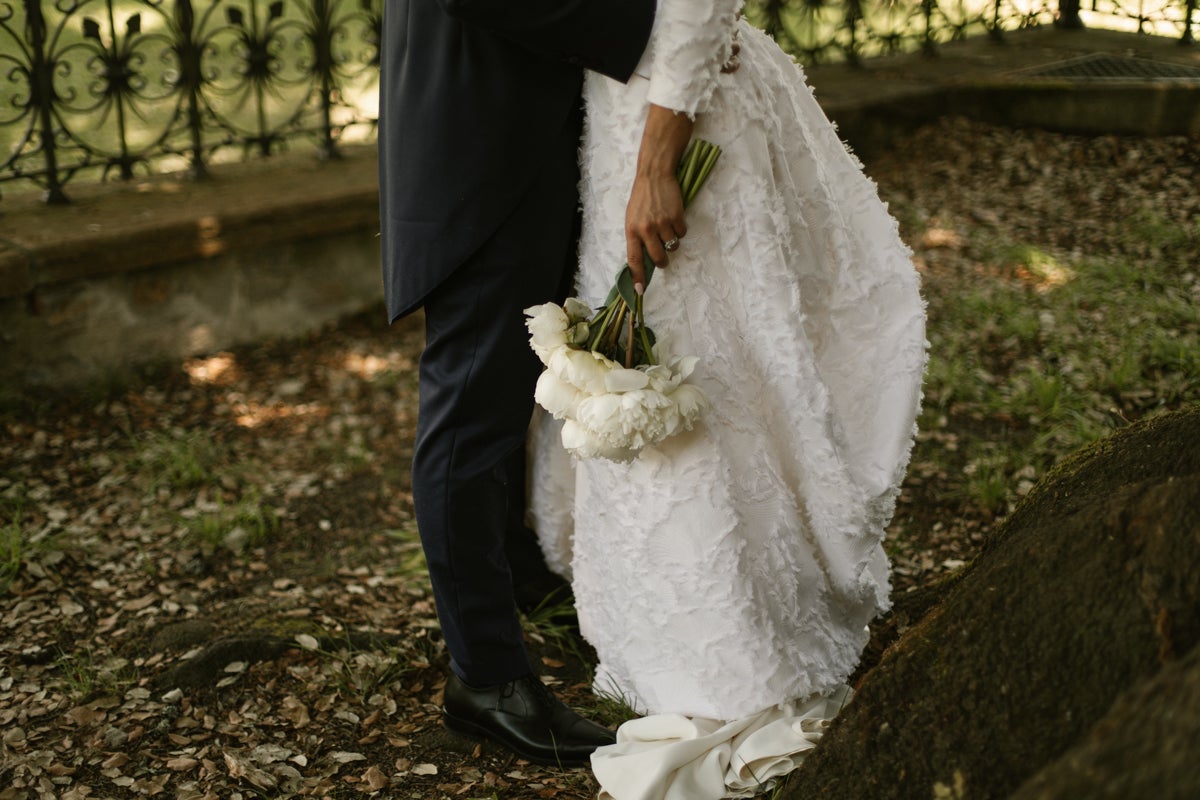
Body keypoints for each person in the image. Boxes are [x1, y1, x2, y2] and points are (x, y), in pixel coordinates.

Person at [526, 0, 927, 796]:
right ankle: (668, 633)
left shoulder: (664, 139)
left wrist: (655, 162)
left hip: (678, 117)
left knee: (705, 372)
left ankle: (746, 635)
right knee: (662, 357)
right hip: (628, 111)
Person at [376, 0, 657, 767]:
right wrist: (646, 26)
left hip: (517, 139)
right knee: (469, 412)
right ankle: (487, 677)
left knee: (509, 396)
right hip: (480, 156)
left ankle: (518, 574)